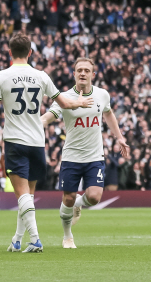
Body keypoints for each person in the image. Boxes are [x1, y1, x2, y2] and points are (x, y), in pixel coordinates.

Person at [0, 33, 92, 253]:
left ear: (10, 52)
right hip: (37, 142)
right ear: (30, 52)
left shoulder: (1, 76)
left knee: (22, 195)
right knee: (28, 197)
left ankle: (35, 239)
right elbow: (64, 103)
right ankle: (17, 239)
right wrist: (79, 101)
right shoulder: (41, 76)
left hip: (15, 141)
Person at [41, 57, 129, 249]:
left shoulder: (102, 95)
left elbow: (108, 113)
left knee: (95, 197)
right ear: (74, 74)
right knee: (68, 198)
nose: (82, 73)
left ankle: (78, 205)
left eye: (86, 71)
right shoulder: (64, 97)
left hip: (94, 156)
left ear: (93, 75)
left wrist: (119, 137)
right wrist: (31, 125)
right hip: (71, 157)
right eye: (79, 70)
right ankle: (67, 236)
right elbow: (47, 118)